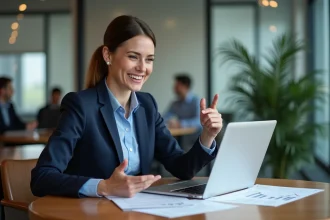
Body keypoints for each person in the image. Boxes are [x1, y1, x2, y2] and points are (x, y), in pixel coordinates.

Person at [30, 15, 223, 198]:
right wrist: (104, 187)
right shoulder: (81, 105)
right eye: (133, 57)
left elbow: (182, 168)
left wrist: (208, 135)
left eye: (149, 59)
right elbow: (42, 177)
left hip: (139, 210)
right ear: (108, 55)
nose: (142, 67)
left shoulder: (147, 105)